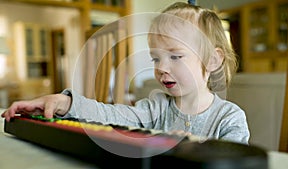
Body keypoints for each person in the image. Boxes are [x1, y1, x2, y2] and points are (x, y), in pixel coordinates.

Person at [1, 2, 250, 144]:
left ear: (213, 60)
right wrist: (64, 103)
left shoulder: (229, 118)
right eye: (156, 58)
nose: (162, 67)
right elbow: (111, 114)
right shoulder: (156, 108)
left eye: (175, 56)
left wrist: (192, 148)